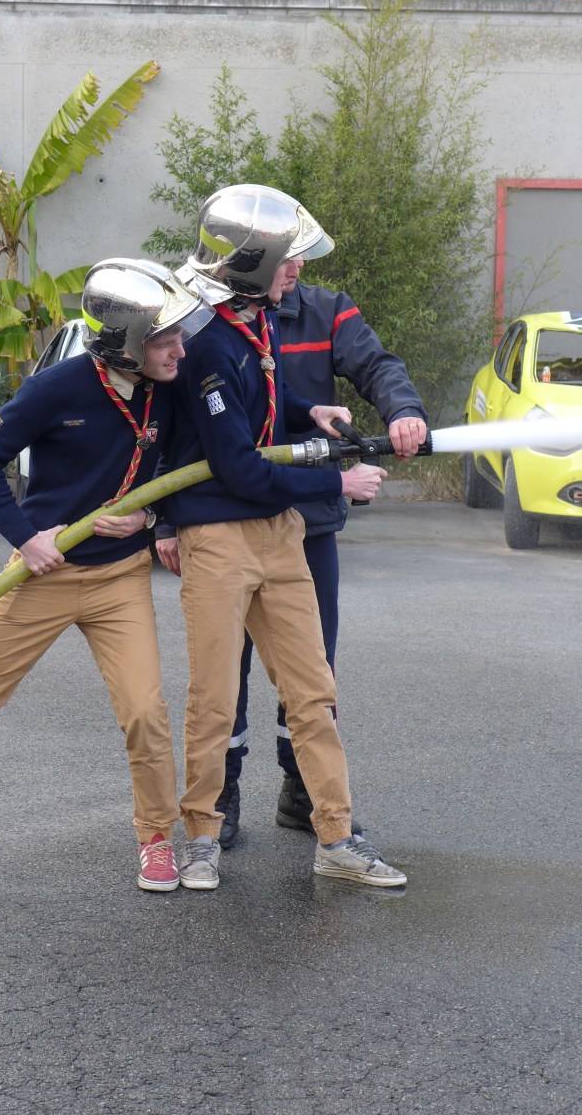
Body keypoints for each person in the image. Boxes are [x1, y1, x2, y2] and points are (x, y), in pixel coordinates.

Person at [0, 258, 214, 891]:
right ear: (126, 345)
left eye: (178, 336)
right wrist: (26, 540)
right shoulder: (56, 388)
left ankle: (156, 838)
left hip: (119, 579)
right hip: (43, 574)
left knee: (146, 712)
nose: (179, 350)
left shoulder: (171, 387)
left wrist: (149, 520)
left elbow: (186, 465)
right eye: (164, 339)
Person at [160, 182, 408, 890]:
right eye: (286, 258)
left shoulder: (254, 321)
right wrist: (337, 484)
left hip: (280, 533)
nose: (297, 268)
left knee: (313, 693)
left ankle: (335, 836)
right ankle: (201, 837)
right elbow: (239, 466)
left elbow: (262, 392)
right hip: (218, 536)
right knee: (214, 696)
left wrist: (310, 410)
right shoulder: (203, 341)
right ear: (249, 265)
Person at [214, 260, 428, 849]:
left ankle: (302, 789)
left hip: (307, 521)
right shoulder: (213, 316)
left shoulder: (327, 310)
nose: (299, 264)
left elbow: (377, 365)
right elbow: (175, 409)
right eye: (287, 253)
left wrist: (404, 412)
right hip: (227, 520)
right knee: (224, 667)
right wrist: (164, 519)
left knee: (312, 666)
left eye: (300, 251)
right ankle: (221, 792)